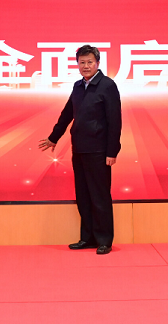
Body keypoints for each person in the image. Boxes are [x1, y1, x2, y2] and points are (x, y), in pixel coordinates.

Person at [39, 45, 122, 255]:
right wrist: (53, 137)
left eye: (89, 62)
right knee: (83, 196)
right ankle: (88, 238)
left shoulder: (107, 85)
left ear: (97, 63)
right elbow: (67, 113)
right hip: (79, 149)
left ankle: (104, 240)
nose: (85, 66)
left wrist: (112, 151)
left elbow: (115, 121)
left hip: (99, 151)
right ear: (77, 64)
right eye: (82, 62)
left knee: (100, 196)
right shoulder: (77, 86)